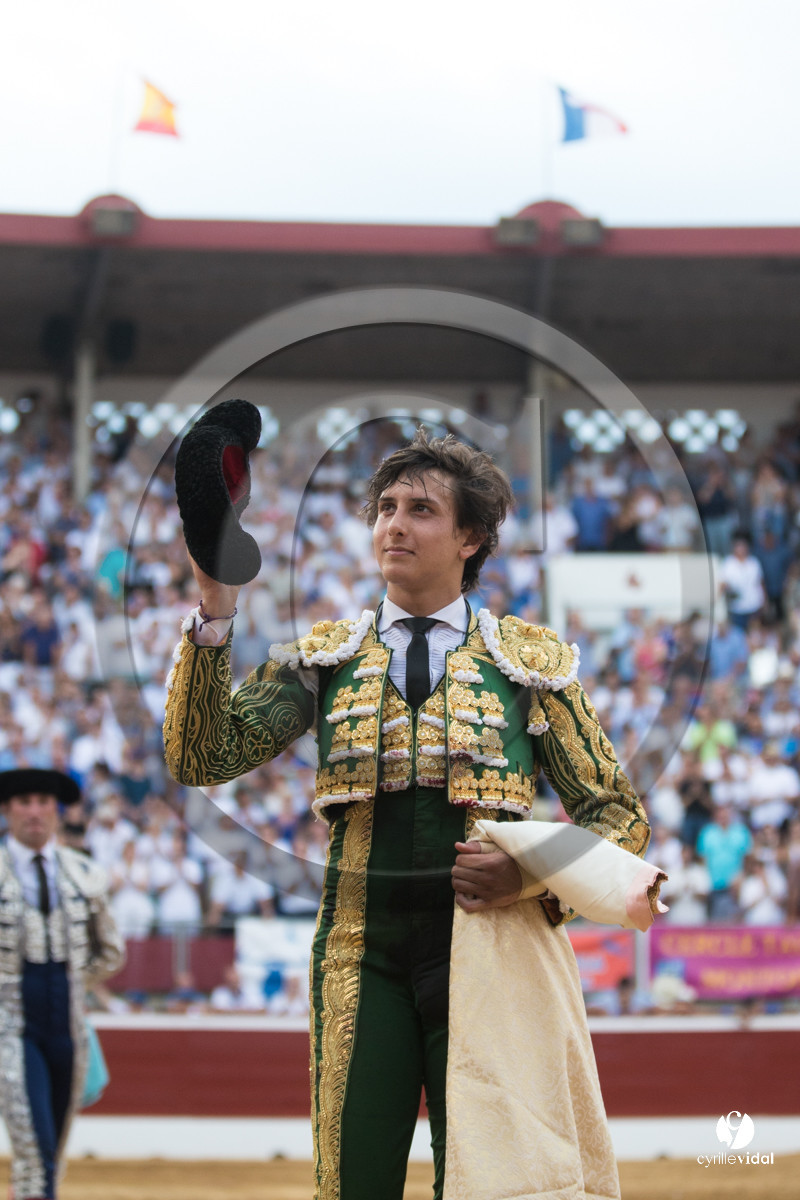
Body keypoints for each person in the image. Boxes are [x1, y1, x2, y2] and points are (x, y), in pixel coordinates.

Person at [164, 428, 650, 1200]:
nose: (394, 524)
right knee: (353, 1185)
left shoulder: (527, 665)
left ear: (470, 538)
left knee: (490, 1186)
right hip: (362, 956)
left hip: (489, 955)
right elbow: (201, 756)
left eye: (421, 509)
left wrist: (530, 875)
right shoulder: (324, 658)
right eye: (386, 507)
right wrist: (215, 611)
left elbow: (618, 814)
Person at [0, 767, 125, 1200]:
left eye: (43, 802)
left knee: (51, 1150)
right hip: (11, 1027)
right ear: (7, 810)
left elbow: (111, 951)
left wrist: (75, 981)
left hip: (67, 1029)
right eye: (24, 802)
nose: (34, 812)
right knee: (35, 1154)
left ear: (56, 811)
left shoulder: (83, 872)